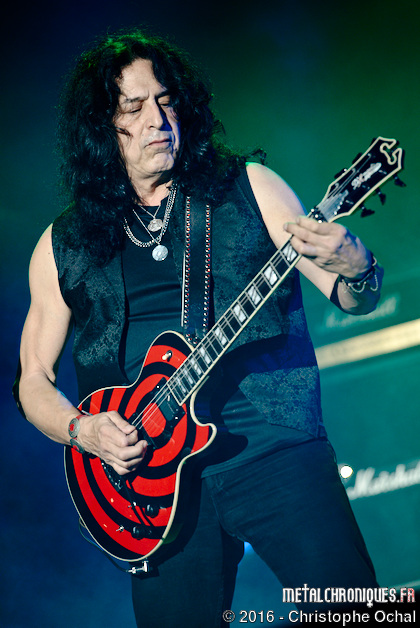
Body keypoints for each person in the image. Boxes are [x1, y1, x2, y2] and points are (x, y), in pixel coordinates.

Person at [15, 29, 383, 627]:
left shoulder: (247, 187)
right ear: (100, 129)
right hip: (150, 490)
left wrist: (358, 268)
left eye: (166, 101)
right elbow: (32, 380)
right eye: (134, 107)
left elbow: (350, 297)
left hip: (273, 449)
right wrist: (83, 430)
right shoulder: (63, 244)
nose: (157, 120)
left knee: (354, 613)